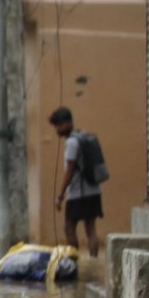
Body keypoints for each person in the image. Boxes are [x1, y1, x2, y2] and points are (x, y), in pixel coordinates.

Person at [50, 106, 104, 257]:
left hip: (78, 193)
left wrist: (60, 195)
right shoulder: (83, 135)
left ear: (67, 123)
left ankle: (73, 260)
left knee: (68, 227)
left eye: (58, 126)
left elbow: (70, 171)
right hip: (94, 190)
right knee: (90, 229)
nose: (57, 130)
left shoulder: (72, 143)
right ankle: (93, 260)